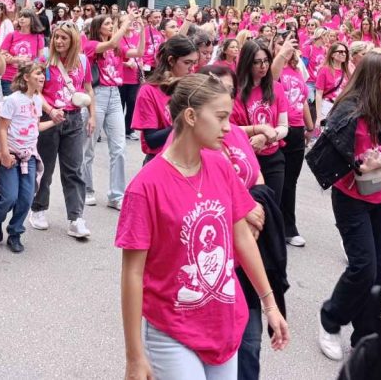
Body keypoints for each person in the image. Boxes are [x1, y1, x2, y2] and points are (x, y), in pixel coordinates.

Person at [117, 73, 289, 380]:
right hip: (173, 329)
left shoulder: (220, 166)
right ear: (191, 116)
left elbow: (242, 238)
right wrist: (134, 356)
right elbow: (132, 273)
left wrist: (270, 303)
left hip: (223, 322)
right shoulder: (145, 187)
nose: (228, 126)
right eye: (221, 117)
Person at [317, 52, 381, 361]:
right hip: (351, 198)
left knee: (379, 271)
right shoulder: (347, 109)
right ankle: (330, 320)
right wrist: (359, 165)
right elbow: (331, 155)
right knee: (363, 268)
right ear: (373, 78)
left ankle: (364, 334)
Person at [30, 23, 96, 238]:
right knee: (45, 168)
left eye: (64, 38)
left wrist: (92, 116)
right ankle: (38, 209)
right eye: (56, 37)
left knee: (74, 170)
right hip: (49, 119)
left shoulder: (83, 61)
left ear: (73, 40)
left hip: (74, 119)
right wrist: (49, 109)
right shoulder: (44, 60)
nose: (59, 41)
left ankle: (76, 217)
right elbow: (34, 90)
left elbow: (88, 89)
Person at [0, 61, 52, 254]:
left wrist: (54, 121)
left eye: (42, 74)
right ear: (26, 78)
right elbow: (3, 128)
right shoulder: (13, 100)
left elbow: (35, 126)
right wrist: (5, 154)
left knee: (26, 198)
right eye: (37, 73)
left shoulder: (37, 101)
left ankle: (15, 233)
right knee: (9, 196)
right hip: (12, 156)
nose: (42, 77)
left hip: (29, 156)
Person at [83, 12, 137, 209]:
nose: (110, 26)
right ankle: (87, 189)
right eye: (107, 23)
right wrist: (126, 24)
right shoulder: (90, 45)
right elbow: (112, 43)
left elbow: (136, 52)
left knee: (119, 148)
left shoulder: (117, 47)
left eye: (111, 23)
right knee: (88, 146)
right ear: (98, 27)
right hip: (96, 94)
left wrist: (141, 30)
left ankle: (116, 195)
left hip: (114, 94)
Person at [232, 41, 288, 201]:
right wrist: (258, 130)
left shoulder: (276, 88)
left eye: (266, 61)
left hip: (273, 158)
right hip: (245, 159)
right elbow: (228, 128)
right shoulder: (235, 90)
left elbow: (284, 127)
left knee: (271, 210)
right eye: (257, 62)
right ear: (247, 63)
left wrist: (266, 137)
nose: (263, 66)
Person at [272, 31, 313, 248]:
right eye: (281, 43)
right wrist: (282, 53)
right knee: (276, 182)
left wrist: (310, 126)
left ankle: (289, 227)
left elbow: (303, 99)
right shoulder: (270, 66)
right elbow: (272, 77)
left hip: (296, 130)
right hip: (277, 130)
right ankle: (273, 225)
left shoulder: (298, 69)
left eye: (289, 44)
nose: (287, 47)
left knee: (290, 182)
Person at [133, 35, 198, 163]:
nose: (192, 68)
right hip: (160, 159)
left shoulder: (193, 85)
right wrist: (183, 123)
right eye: (187, 63)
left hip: (190, 158)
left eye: (194, 63)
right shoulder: (149, 90)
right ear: (171, 60)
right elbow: (152, 140)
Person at [0, 8, 45, 98]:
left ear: (32, 20)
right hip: (9, 78)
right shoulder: (11, 35)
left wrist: (31, 63)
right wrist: (17, 59)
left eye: (25, 16)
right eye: (20, 16)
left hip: (28, 78)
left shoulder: (38, 37)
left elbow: (41, 59)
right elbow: (1, 56)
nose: (22, 19)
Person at [315, 41, 348, 124]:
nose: (344, 54)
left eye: (345, 52)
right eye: (340, 52)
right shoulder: (324, 70)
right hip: (328, 106)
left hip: (343, 107)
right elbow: (319, 94)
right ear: (332, 54)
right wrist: (319, 116)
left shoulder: (346, 71)